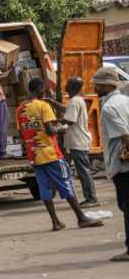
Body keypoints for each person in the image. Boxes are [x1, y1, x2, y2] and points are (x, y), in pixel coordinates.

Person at [16, 77, 104, 232]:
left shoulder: (20, 108)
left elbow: (22, 132)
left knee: (44, 188)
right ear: (41, 89)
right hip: (51, 153)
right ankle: (81, 218)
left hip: (34, 155)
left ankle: (55, 221)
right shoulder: (43, 106)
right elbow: (50, 130)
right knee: (66, 183)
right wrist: (60, 129)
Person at [93, 66, 129, 261]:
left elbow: (125, 135)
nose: (95, 88)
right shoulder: (125, 100)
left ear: (105, 85)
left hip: (123, 166)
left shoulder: (109, 107)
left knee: (127, 207)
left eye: (97, 85)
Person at [61, 76, 99, 207]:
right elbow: (68, 113)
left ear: (71, 87)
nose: (65, 85)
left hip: (78, 141)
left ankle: (91, 198)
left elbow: (69, 120)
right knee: (82, 170)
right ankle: (89, 197)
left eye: (68, 83)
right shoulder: (76, 100)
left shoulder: (74, 102)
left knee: (83, 171)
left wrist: (55, 124)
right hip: (77, 141)